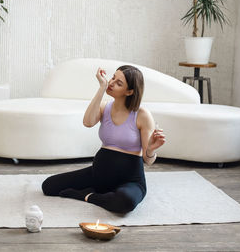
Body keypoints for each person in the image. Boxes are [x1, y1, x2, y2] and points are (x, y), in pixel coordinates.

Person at [41, 65, 166, 214]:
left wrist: (151, 148)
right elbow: (87, 122)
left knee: (126, 202)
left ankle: (87, 196)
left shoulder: (142, 114)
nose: (111, 83)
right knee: (49, 186)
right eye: (113, 77)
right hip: (98, 175)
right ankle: (103, 195)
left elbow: (149, 160)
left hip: (129, 181)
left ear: (130, 91)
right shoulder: (104, 107)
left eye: (119, 83)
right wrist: (101, 88)